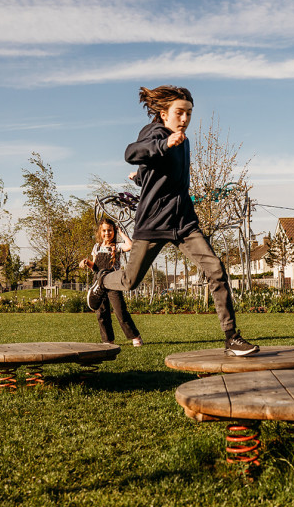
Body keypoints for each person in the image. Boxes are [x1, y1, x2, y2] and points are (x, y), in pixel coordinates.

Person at [87, 85, 258, 356]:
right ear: (163, 113)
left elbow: (163, 173)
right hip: (153, 224)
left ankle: (232, 337)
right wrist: (162, 144)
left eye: (189, 113)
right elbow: (132, 153)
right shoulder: (155, 133)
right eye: (180, 112)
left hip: (183, 224)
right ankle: (105, 279)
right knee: (129, 282)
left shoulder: (184, 141)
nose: (185, 118)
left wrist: (141, 177)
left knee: (216, 269)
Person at [81, 218, 143, 347]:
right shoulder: (97, 247)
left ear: (113, 231)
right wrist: (87, 262)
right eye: (104, 230)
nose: (107, 233)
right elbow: (95, 266)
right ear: (100, 232)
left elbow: (130, 246)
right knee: (101, 312)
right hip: (98, 282)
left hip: (113, 281)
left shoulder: (117, 246)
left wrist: (122, 234)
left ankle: (135, 336)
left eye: (110, 230)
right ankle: (108, 340)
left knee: (120, 311)